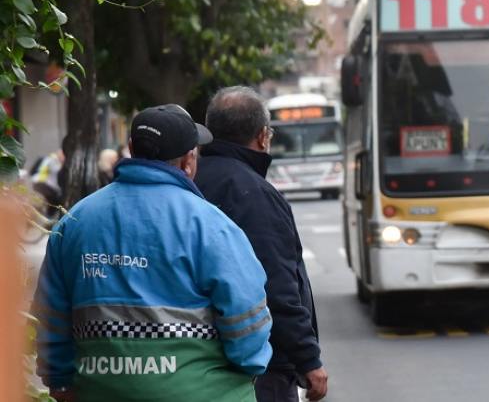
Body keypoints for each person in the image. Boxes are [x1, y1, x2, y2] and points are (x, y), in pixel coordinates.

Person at [32, 104, 272, 402]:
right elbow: (247, 320)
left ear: (132, 148)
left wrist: (59, 379)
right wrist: (250, 364)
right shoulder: (211, 226)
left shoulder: (75, 222)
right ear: (188, 161)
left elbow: (50, 312)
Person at [195, 87, 328, 402]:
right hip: (261, 364)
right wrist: (308, 358)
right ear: (263, 136)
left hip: (200, 357)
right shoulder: (255, 194)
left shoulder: (191, 182)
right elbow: (278, 284)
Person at [30, 148, 65, 217]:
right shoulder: (54, 161)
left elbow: (32, 172)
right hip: (45, 187)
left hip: (38, 185)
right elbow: (59, 174)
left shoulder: (46, 158)